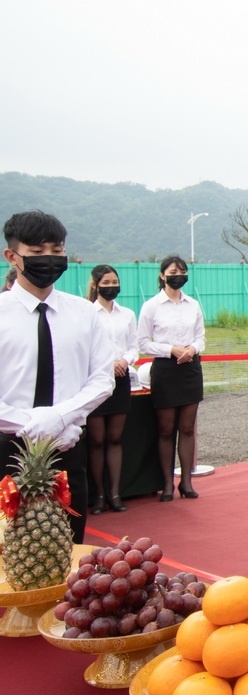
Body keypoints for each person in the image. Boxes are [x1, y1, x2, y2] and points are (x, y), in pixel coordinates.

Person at [0, 211, 114, 544]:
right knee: (10, 551)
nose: (48, 259)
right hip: (8, 448)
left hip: (67, 447)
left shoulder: (85, 313)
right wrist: (30, 422)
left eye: (56, 249)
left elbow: (101, 380)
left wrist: (59, 418)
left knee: (68, 544)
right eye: (36, 252)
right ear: (12, 256)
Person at [137, 256, 205, 501]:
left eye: (183, 271)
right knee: (166, 429)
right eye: (174, 271)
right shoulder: (151, 306)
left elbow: (201, 338)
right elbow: (143, 342)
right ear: (162, 275)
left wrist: (192, 349)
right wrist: (170, 350)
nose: (179, 274)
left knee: (187, 428)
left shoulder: (193, 304)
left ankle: (186, 482)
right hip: (165, 369)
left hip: (190, 368)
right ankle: (167, 482)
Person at [86, 265, 139, 514]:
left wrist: (123, 361)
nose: (111, 286)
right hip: (96, 380)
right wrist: (108, 365)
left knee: (115, 438)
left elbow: (133, 347)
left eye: (114, 281)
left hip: (121, 379)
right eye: (106, 282)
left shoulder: (127, 314)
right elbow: (84, 349)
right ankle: (97, 496)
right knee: (96, 440)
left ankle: (115, 493)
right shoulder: (86, 313)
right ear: (96, 285)